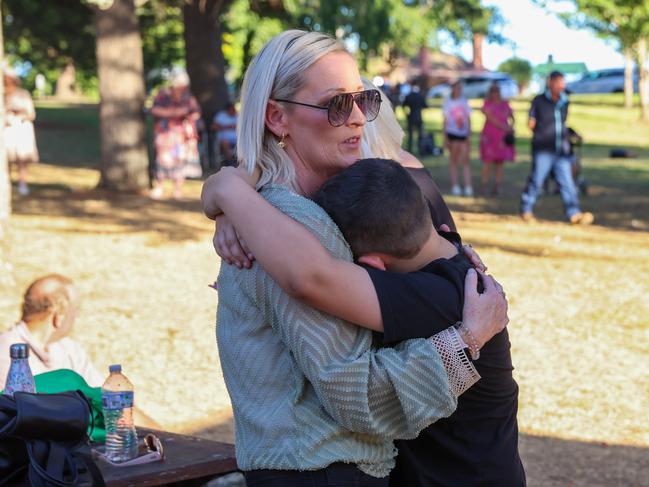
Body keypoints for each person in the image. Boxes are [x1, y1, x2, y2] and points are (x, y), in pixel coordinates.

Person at [201, 30, 508, 486]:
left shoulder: (294, 214)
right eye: (337, 105)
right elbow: (357, 392)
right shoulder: (290, 228)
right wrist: (464, 342)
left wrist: (225, 192)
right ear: (276, 117)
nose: (359, 119)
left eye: (364, 99)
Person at [360, 78, 456, 232]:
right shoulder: (408, 162)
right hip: (415, 120)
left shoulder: (387, 184)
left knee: (414, 138)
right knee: (415, 138)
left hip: (413, 118)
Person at [0, 274, 104, 388]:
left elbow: (104, 394)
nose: (77, 316)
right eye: (75, 309)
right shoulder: (7, 354)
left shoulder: (70, 349)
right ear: (59, 314)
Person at [520, 71, 594, 224]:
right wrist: (543, 135)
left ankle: (574, 213)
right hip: (543, 150)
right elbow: (531, 124)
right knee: (537, 180)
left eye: (563, 82)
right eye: (559, 82)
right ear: (550, 83)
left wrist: (573, 134)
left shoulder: (564, 102)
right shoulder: (539, 101)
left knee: (568, 182)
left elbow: (562, 124)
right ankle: (526, 209)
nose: (562, 86)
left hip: (562, 151)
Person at [150, 69, 201, 200]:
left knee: (180, 159)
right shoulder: (163, 94)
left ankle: (177, 189)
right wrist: (173, 113)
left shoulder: (188, 97)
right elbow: (154, 110)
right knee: (162, 159)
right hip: (165, 133)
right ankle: (160, 186)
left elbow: (196, 112)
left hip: (181, 135)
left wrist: (187, 116)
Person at [4, 66, 39, 197]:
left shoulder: (23, 94)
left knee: (22, 159)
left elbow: (31, 113)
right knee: (6, 158)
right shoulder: (3, 95)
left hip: (21, 129)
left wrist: (19, 114)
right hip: (6, 129)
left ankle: (22, 183)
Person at [479, 83, 515, 196]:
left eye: (497, 91)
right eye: (493, 92)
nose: (495, 94)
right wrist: (505, 127)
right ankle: (484, 185)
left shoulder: (505, 104)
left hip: (502, 138)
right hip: (490, 136)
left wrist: (511, 127)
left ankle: (497, 185)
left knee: (500, 162)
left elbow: (512, 116)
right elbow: (490, 118)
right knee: (487, 162)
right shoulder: (487, 104)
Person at [443, 82, 473, 196]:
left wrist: (469, 133)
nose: (459, 90)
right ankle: (455, 185)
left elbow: (468, 118)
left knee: (465, 161)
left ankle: (468, 186)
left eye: (460, 88)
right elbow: (445, 120)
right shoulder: (448, 102)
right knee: (454, 161)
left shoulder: (464, 101)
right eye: (457, 88)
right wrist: (445, 137)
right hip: (452, 133)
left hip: (463, 134)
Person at [402, 85, 427, 155]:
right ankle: (421, 151)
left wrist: (407, 114)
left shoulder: (409, 96)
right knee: (420, 136)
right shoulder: (420, 96)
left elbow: (403, 106)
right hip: (419, 117)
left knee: (410, 136)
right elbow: (425, 106)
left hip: (411, 117)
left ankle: (410, 150)